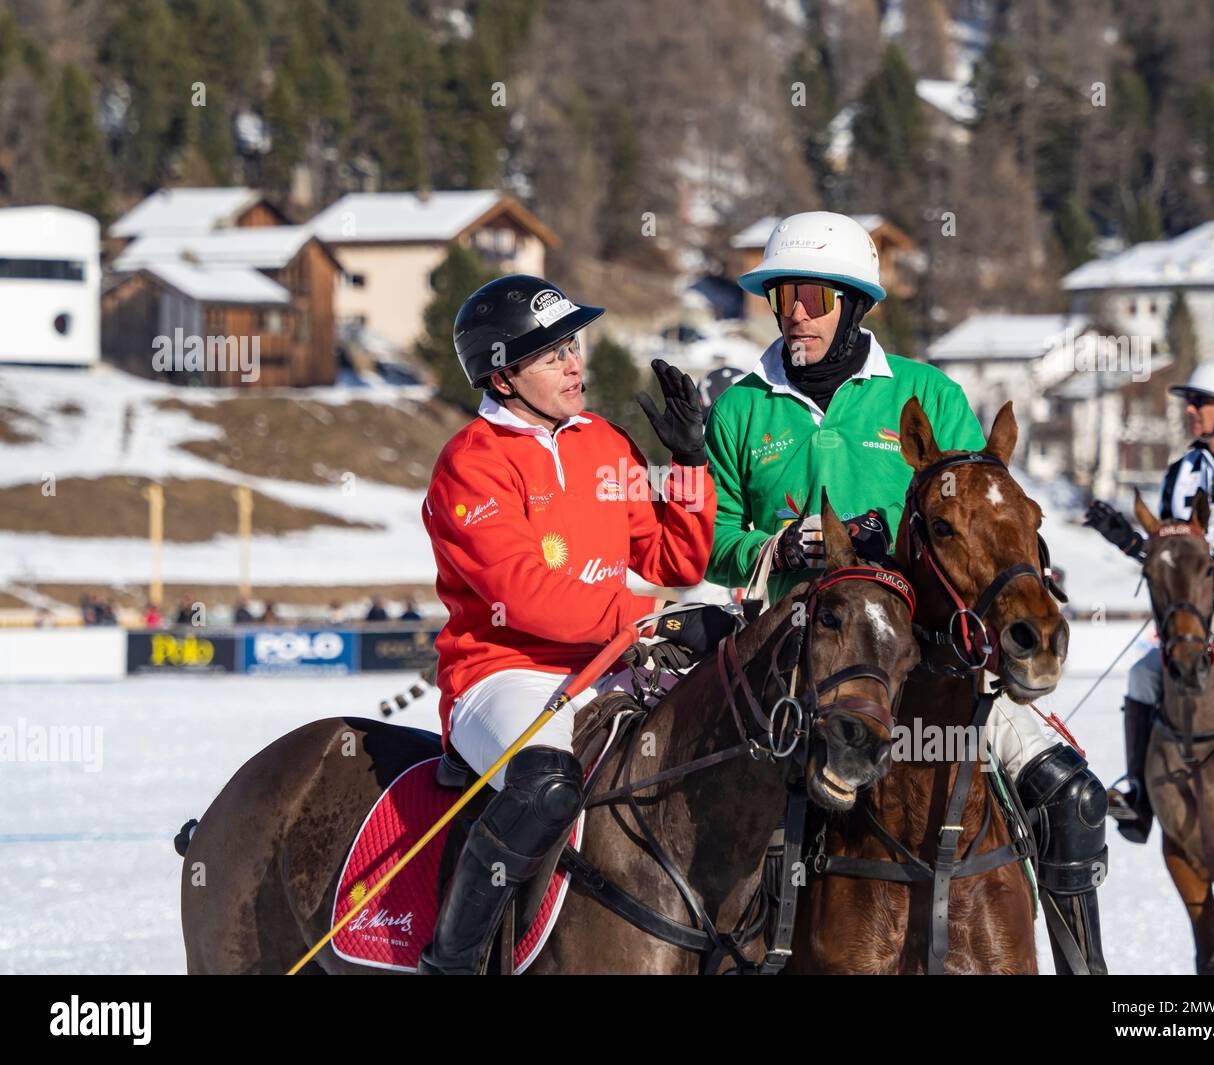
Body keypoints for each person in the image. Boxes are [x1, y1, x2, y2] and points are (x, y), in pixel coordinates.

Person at [707, 211, 1108, 970]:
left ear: (853, 304)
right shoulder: (741, 408)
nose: (795, 311)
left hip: (927, 657)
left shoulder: (925, 393)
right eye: (783, 294)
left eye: (815, 299)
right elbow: (715, 542)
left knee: (1073, 801)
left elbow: (977, 516)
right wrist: (778, 545)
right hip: (798, 657)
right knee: (723, 826)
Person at [418, 274, 733, 974]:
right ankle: (453, 959)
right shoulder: (469, 464)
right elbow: (526, 597)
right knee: (547, 789)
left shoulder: (603, 442)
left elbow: (673, 557)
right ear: (503, 375)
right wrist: (649, 622)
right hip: (502, 675)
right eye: (551, 353)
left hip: (607, 665)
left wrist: (688, 464)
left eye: (573, 346)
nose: (573, 363)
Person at [1085, 360, 1214, 843]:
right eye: (1191, 402)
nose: (1190, 409)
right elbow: (1170, 553)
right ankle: (1140, 796)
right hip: (1203, 617)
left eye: (1200, 402)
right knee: (1142, 675)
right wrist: (1125, 540)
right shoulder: (1182, 471)